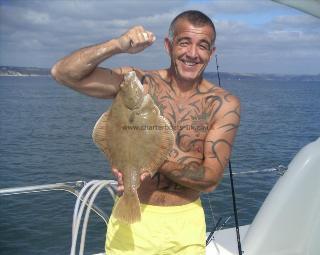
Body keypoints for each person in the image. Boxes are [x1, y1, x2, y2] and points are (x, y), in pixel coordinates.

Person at [51, 10, 240, 255]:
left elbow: (210, 179)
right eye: (184, 42)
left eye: (202, 46)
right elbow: (63, 73)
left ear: (211, 53)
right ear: (168, 45)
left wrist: (147, 150)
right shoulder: (137, 83)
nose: (192, 53)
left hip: (185, 224)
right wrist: (117, 45)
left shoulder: (223, 104)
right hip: (132, 219)